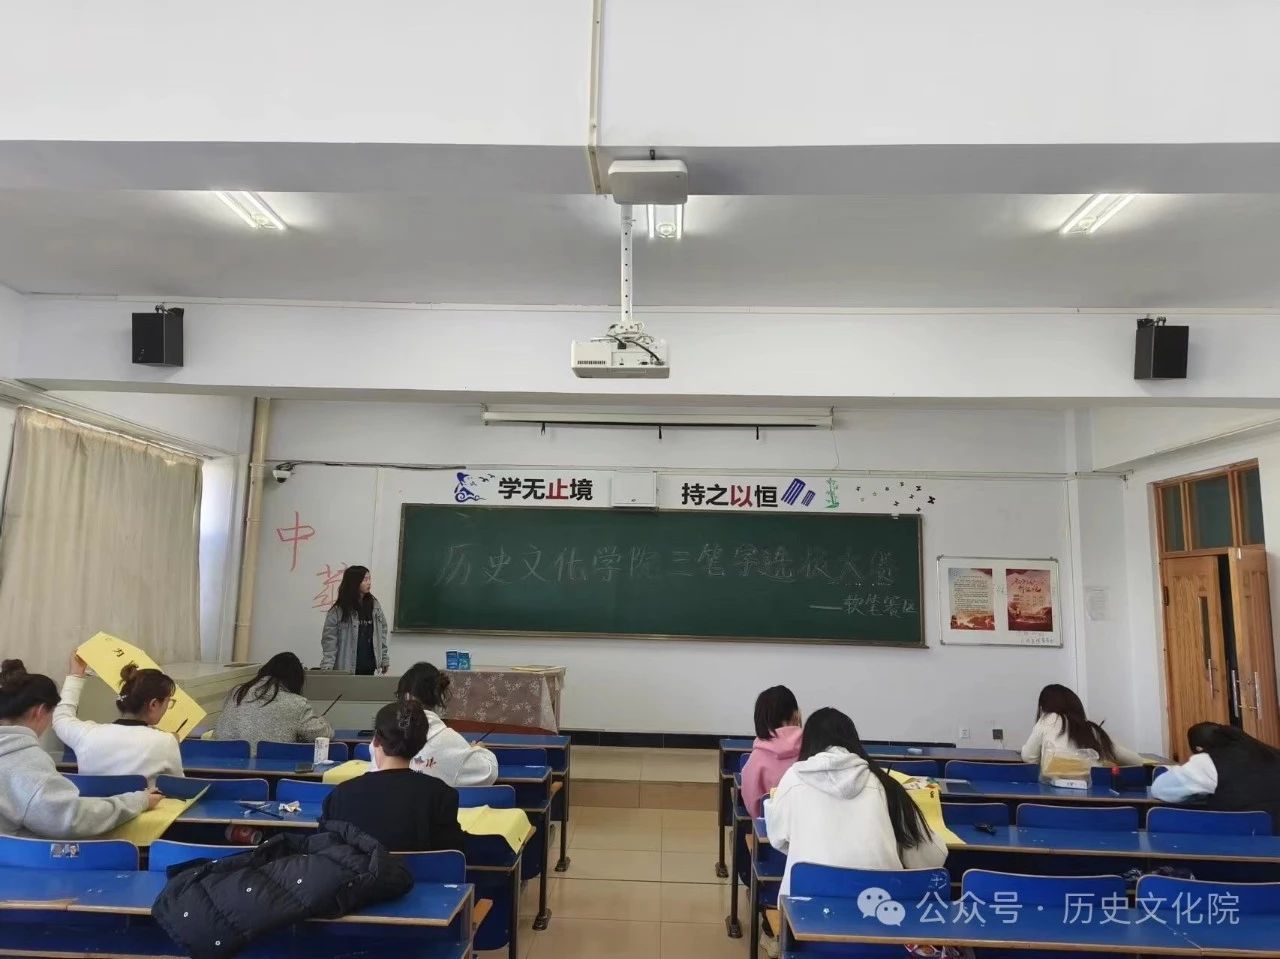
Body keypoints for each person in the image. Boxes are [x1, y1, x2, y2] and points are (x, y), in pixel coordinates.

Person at [765, 707, 947, 897]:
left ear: (808, 743)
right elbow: (933, 858)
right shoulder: (885, 785)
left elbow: (777, 838)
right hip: (878, 905)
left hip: (805, 904)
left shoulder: (793, 778)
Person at [0, 659, 159, 837]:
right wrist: (138, 801)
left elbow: (63, 718)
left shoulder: (84, 734)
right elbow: (72, 818)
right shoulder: (28, 763)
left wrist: (75, 676)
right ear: (40, 711)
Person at [320, 701, 465, 852]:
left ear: (376, 740)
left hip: (356, 868)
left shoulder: (340, 795)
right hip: (420, 869)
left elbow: (323, 851)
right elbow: (452, 856)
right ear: (420, 744)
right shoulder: (442, 795)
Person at [53, 653, 183, 783]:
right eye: (168, 702)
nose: (167, 707)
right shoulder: (165, 742)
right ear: (153, 704)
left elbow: (61, 718)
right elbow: (179, 787)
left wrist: (76, 674)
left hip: (92, 797)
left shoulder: (87, 734)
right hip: (143, 797)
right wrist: (170, 742)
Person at [1151, 722, 1280, 829]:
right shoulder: (1270, 753)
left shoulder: (1209, 761)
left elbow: (1159, 789)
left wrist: (1199, 793)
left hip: (1237, 839)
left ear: (1199, 749)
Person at [393, 662, 498, 787]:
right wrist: (479, 750)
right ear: (439, 698)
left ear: (404, 697)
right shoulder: (448, 740)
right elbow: (487, 773)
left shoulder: (385, 733)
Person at [215, 652, 333, 748]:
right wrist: (322, 721)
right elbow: (322, 735)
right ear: (296, 680)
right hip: (269, 768)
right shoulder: (296, 703)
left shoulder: (237, 692)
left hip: (218, 764)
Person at [1020, 683, 1143, 767]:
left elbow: (1029, 757)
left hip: (1057, 789)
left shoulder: (1048, 719)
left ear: (1043, 707)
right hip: (1094, 791)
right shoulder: (1091, 729)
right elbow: (1136, 760)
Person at [741, 685, 802, 818]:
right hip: (808, 825)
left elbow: (753, 807)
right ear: (796, 715)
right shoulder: (814, 749)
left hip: (769, 827)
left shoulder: (757, 758)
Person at [320, 566, 389, 675]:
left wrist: (384, 658)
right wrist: (327, 666)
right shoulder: (338, 610)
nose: (369, 583)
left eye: (369, 579)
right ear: (354, 582)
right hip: (347, 669)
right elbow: (329, 641)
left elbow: (382, 632)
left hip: (370, 667)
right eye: (365, 580)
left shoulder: (374, 605)